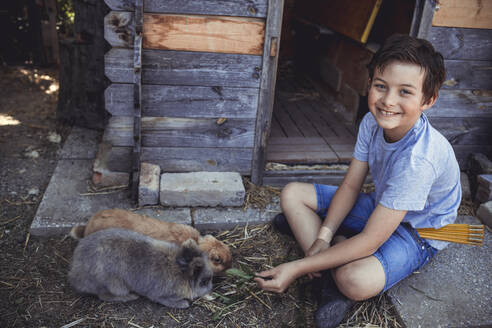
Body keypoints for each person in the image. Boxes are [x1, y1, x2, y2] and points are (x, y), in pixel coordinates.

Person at [254, 34, 461, 328]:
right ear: (370, 84)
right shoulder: (371, 123)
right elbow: (351, 186)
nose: (388, 101)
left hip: (419, 232)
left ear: (428, 100)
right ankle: (332, 254)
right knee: (292, 194)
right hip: (383, 207)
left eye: (405, 92)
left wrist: (296, 268)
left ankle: (331, 271)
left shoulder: (418, 160)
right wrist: (324, 237)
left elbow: (372, 240)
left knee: (354, 280)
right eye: (381, 86)